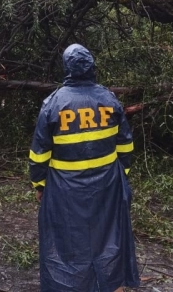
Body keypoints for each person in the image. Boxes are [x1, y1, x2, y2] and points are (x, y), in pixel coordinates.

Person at [29, 44, 140, 292]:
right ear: (91, 67)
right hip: (107, 186)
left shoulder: (53, 103)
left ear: (66, 68)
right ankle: (112, 286)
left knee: (68, 240)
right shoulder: (109, 99)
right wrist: (121, 177)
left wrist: (39, 184)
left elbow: (39, 154)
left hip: (64, 188)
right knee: (109, 237)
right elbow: (125, 146)